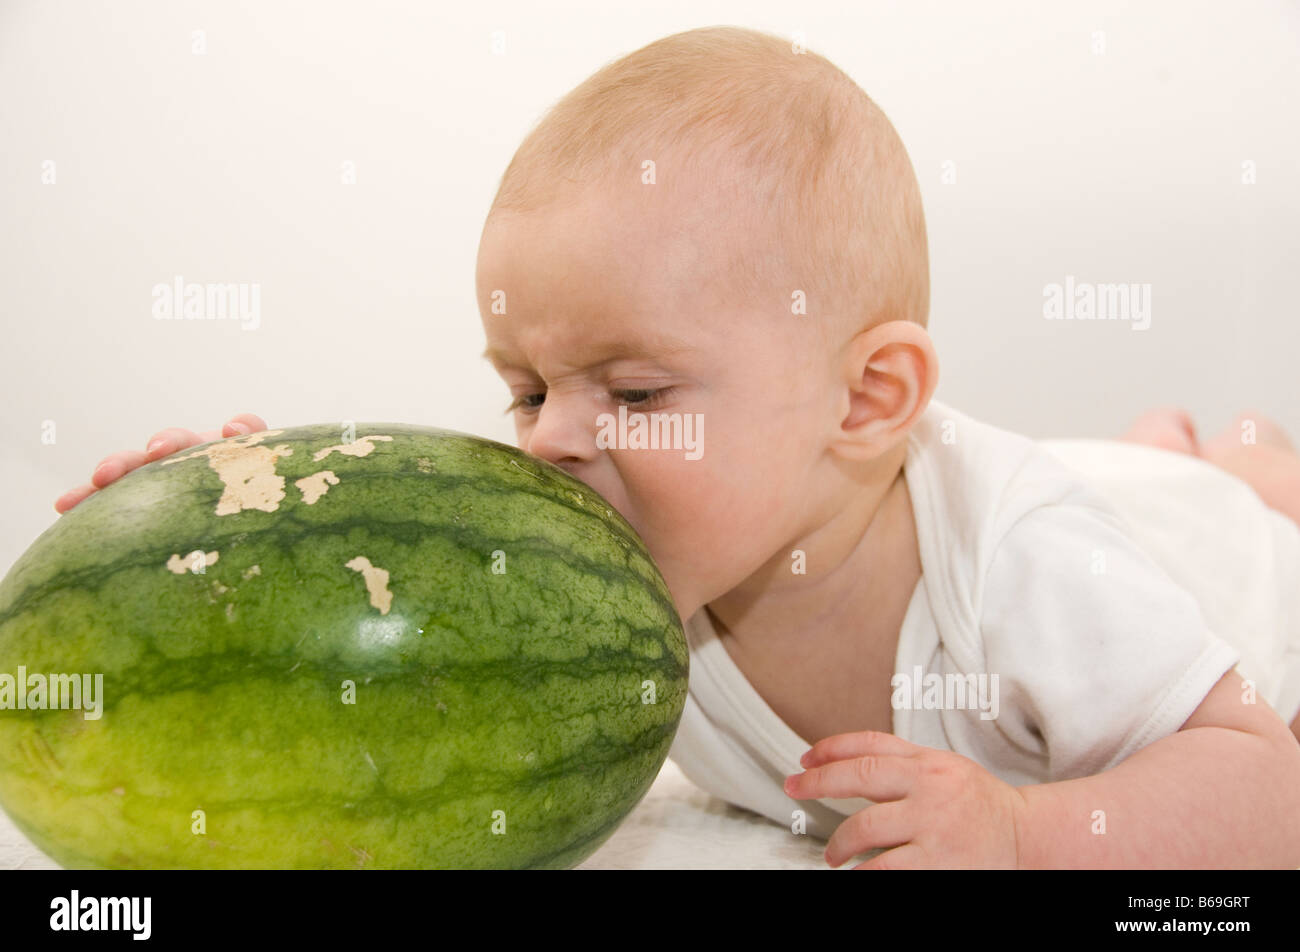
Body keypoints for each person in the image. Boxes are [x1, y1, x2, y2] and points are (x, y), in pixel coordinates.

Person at [54, 26, 1300, 869]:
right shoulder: (634, 580)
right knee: (1146, 459)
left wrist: (1028, 835)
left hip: (1192, 549)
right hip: (1073, 483)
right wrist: (240, 525)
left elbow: (1268, 792)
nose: (550, 443)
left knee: (1223, 498)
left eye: (636, 392)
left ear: (865, 401)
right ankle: (1171, 444)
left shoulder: (1028, 571)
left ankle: (1223, 463)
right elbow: (379, 611)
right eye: (526, 391)